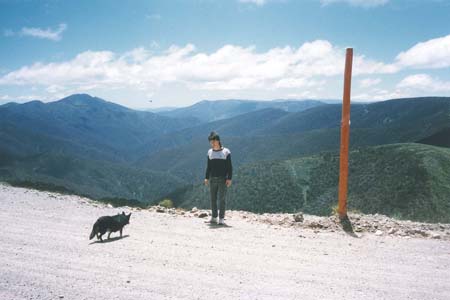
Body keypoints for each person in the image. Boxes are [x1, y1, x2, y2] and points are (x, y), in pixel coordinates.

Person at [204, 131, 232, 225]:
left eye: (213, 141)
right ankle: (214, 217)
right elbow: (208, 167)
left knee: (222, 199)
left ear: (218, 141)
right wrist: (206, 178)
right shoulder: (209, 152)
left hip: (223, 179)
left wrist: (229, 178)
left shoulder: (226, 152)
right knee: (213, 199)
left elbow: (230, 167)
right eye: (210, 142)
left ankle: (221, 219)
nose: (212, 143)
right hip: (213, 179)